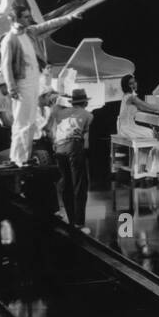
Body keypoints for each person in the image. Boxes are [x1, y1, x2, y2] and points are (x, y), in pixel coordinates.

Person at [0, 3, 78, 167]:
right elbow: (6, 65)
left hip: (34, 80)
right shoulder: (9, 39)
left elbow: (48, 25)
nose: (29, 19)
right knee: (21, 122)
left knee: (29, 123)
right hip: (22, 83)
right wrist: (11, 87)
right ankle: (17, 158)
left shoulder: (29, 32)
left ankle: (24, 158)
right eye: (26, 16)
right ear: (16, 18)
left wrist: (69, 18)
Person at [50, 87, 93, 229]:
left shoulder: (59, 112)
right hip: (74, 147)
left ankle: (71, 220)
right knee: (80, 185)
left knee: (66, 184)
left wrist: (61, 97)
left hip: (59, 149)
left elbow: (55, 106)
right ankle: (80, 223)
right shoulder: (88, 115)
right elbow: (85, 139)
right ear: (85, 103)